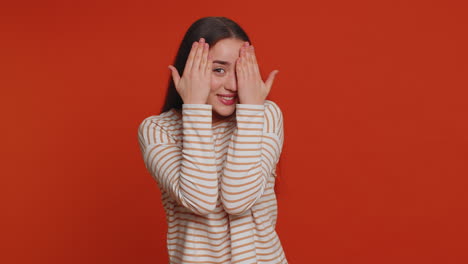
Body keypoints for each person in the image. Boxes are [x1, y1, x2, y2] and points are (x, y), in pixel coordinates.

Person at [137, 16, 287, 264]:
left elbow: (238, 200)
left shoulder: (266, 114)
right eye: (218, 70)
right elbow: (201, 200)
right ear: (190, 70)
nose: (232, 85)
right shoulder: (158, 130)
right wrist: (194, 107)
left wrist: (251, 110)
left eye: (240, 71)